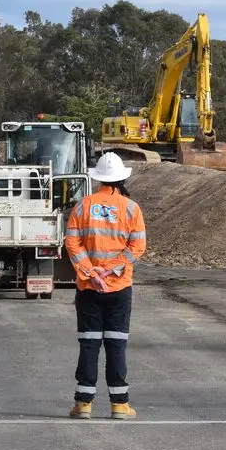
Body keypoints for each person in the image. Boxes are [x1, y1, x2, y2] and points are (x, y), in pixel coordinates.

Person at [62, 152, 146, 419]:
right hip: (119, 288)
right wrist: (111, 269)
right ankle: (119, 404)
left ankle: (83, 404)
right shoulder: (131, 209)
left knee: (89, 344)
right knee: (116, 345)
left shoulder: (82, 206)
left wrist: (91, 273)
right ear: (122, 178)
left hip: (89, 289)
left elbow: (72, 243)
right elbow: (137, 247)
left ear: (97, 178)